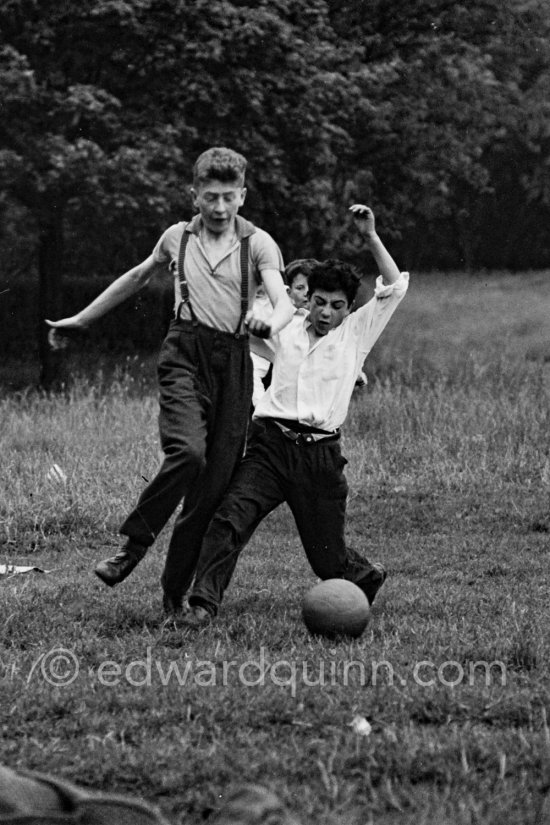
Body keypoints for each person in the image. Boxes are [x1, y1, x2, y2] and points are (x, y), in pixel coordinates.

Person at [46, 147, 294, 616]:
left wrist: (272, 324)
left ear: (242, 196)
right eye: (209, 197)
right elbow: (137, 277)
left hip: (235, 363)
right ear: (194, 195)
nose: (219, 208)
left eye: (228, 197)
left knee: (210, 489)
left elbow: (280, 298)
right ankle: (132, 547)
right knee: (187, 452)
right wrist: (81, 320)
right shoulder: (176, 238)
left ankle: (173, 593)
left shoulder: (259, 243)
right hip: (184, 353)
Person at [178, 204, 409, 627]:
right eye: (319, 302)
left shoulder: (357, 333)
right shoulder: (286, 325)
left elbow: (394, 287)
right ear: (308, 299)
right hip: (270, 448)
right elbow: (244, 321)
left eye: (337, 305)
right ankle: (201, 606)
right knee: (230, 520)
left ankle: (363, 577)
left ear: (348, 307)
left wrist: (371, 236)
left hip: (320, 459)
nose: (325, 313)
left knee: (328, 561)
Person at [250, 258, 318, 408]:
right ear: (288, 291)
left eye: (312, 287)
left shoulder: (323, 323)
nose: (307, 293)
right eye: (300, 288)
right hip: (267, 372)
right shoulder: (281, 314)